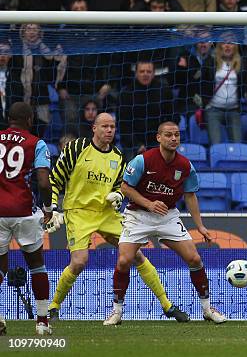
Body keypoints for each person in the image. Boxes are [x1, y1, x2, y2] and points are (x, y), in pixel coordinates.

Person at [45, 113, 188, 323]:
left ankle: (167, 305)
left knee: (136, 256)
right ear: (94, 128)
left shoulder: (118, 157)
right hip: (78, 212)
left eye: (112, 127)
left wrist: (118, 195)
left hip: (106, 214)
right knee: (79, 262)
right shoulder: (76, 148)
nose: (109, 130)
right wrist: (54, 208)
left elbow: (120, 186)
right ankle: (54, 306)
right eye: (104, 126)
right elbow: (55, 179)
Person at [105, 121, 226, 325]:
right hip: (138, 215)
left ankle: (207, 309)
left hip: (168, 216)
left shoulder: (185, 165)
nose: (173, 139)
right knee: (124, 261)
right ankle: (116, 311)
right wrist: (149, 204)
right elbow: (125, 188)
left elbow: (190, 196)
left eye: (177, 135)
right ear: (159, 138)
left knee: (194, 259)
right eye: (168, 135)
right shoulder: (142, 160)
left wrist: (200, 226)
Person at [0, 102, 52, 335]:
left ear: (8, 118)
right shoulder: (37, 143)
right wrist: (49, 207)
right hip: (24, 211)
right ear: (30, 119)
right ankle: (42, 323)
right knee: (36, 265)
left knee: (0, 267)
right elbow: (43, 181)